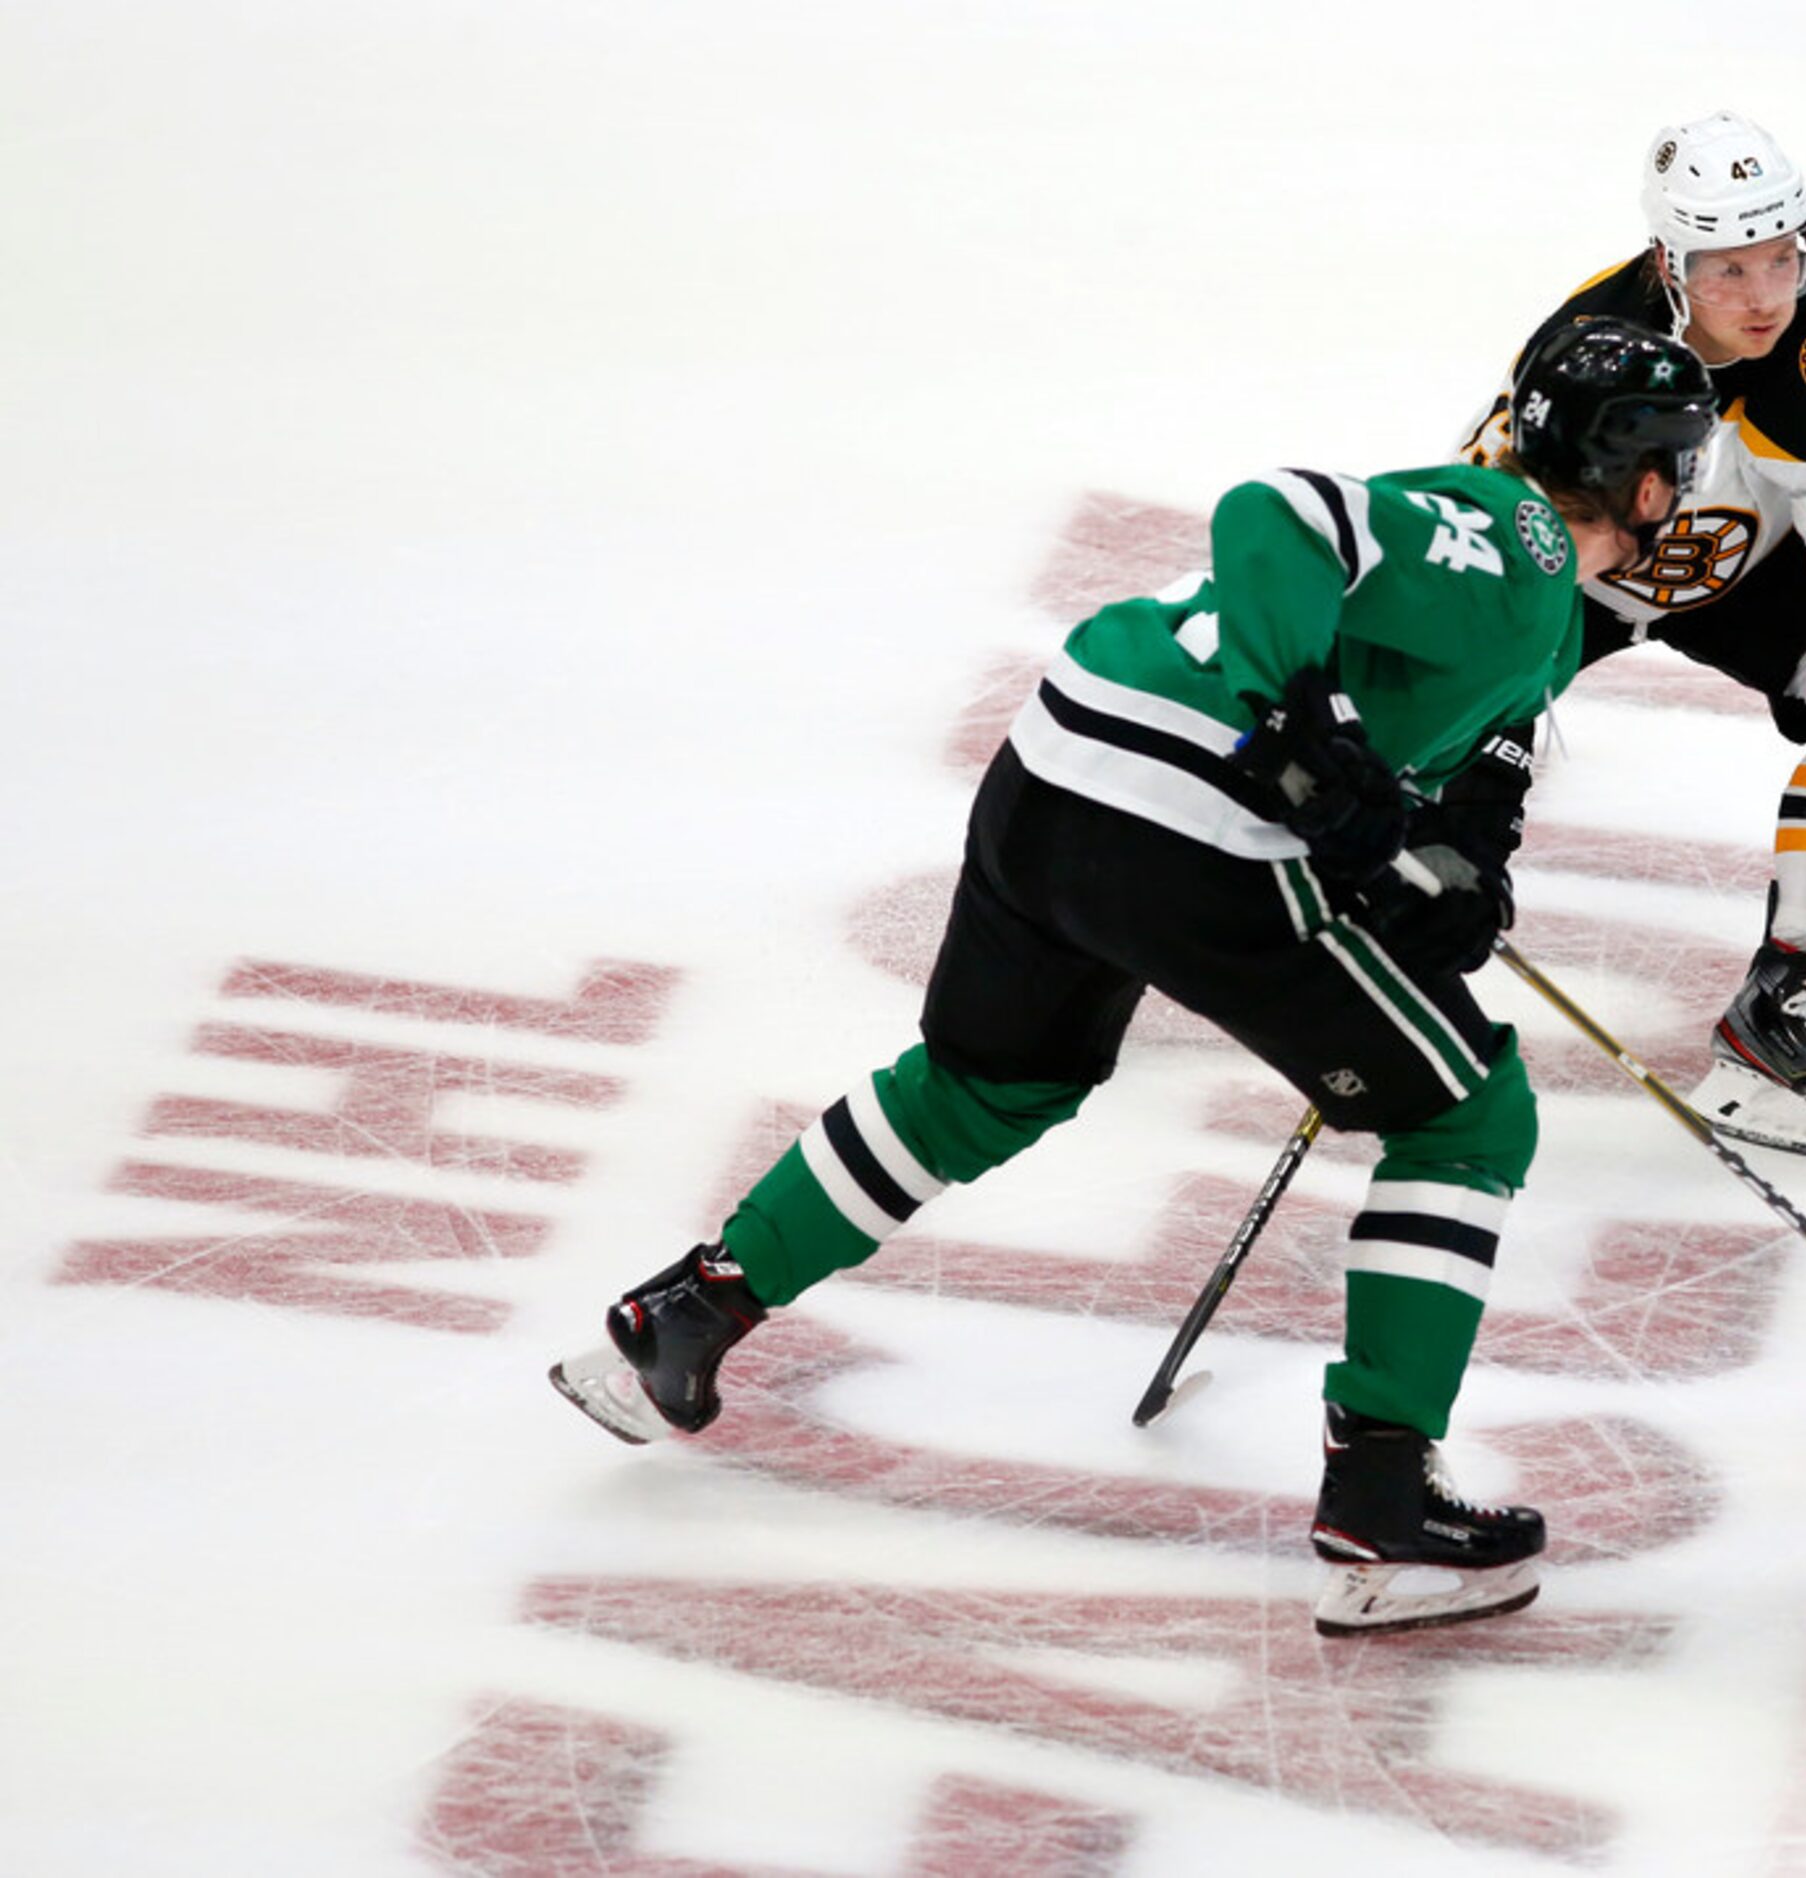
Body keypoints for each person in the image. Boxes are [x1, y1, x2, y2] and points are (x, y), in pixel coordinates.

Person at [552, 319, 1721, 1639]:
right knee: (1467, 1111)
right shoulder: (1517, 539)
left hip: (1053, 771)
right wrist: (1299, 719)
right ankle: (1384, 1497)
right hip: (1184, 820)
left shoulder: (1545, 608)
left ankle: (690, 1309)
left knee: (985, 1082)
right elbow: (1279, 513)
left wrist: (1447, 865)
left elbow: (1439, 753)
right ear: (1646, 480)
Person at [1459, 110, 1806, 1160]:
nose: (1763, 296)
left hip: (1742, 579)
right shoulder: (1583, 358)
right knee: (1402, 720)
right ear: (1668, 263)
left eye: (1780, 258)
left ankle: (1784, 995)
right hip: (1585, 573)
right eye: (1727, 269)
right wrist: (1477, 775)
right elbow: (1487, 577)